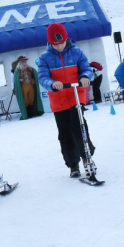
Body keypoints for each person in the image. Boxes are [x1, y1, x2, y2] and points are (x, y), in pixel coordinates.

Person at [38, 23, 95, 178]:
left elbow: (87, 69)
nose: (60, 46)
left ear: (66, 39)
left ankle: (86, 156)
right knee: (64, 133)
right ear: (50, 42)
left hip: (76, 95)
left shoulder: (77, 52)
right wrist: (52, 84)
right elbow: (42, 77)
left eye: (62, 42)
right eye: (56, 44)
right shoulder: (44, 58)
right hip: (58, 99)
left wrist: (85, 77)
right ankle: (73, 164)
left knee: (78, 126)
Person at [13, 55, 44, 120]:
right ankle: (27, 114)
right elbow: (16, 79)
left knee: (31, 99)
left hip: (31, 86)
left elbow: (34, 73)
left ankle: (33, 113)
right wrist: (19, 80)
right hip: (23, 87)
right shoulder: (17, 71)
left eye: (25, 61)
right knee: (25, 100)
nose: (24, 63)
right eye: (22, 62)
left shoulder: (30, 69)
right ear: (19, 63)